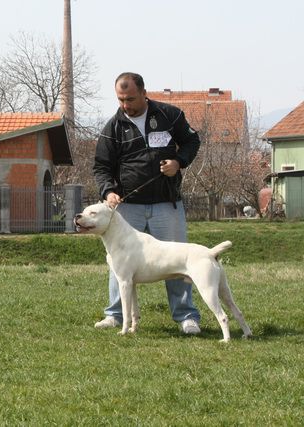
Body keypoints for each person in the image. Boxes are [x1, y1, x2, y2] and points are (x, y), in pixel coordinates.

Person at [92, 72, 202, 334]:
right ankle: (115, 315)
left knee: (178, 259)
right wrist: (108, 192)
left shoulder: (169, 115)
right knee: (118, 262)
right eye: (120, 99)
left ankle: (186, 316)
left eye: (130, 98)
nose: (125, 105)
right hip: (127, 208)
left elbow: (192, 141)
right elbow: (101, 167)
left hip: (167, 202)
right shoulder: (113, 127)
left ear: (144, 92)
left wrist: (179, 162)